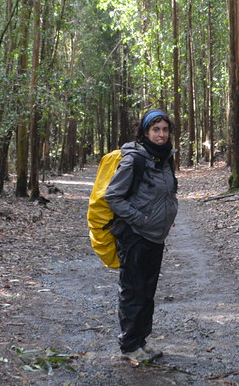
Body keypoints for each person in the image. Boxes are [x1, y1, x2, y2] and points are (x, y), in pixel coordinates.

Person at [104, 109, 179, 363]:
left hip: (155, 236)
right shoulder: (134, 159)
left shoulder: (165, 158)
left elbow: (166, 193)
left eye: (165, 129)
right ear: (145, 132)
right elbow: (113, 196)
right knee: (133, 290)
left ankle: (141, 341)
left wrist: (167, 216)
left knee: (148, 291)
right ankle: (129, 345)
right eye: (156, 129)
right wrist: (140, 218)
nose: (161, 134)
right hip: (135, 235)